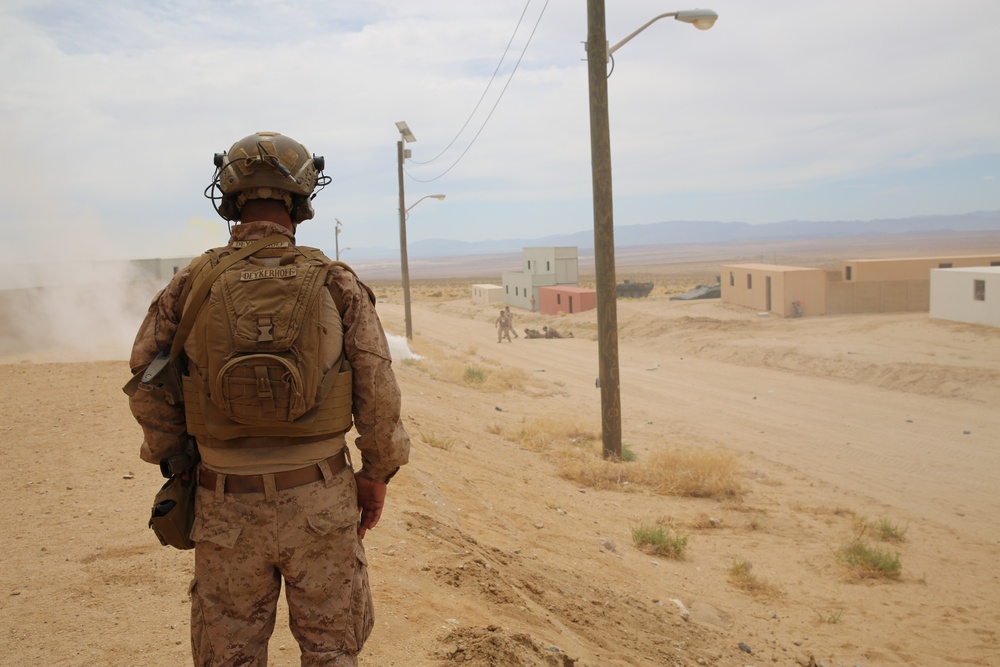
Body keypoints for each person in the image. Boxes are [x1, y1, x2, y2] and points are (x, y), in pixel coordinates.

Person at [127, 131, 410, 667]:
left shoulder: (191, 282)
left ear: (230, 195)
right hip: (321, 501)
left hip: (223, 502)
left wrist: (182, 461)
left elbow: (145, 376)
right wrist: (376, 474)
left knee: (228, 654)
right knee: (331, 651)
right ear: (302, 199)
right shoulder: (336, 282)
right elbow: (378, 388)